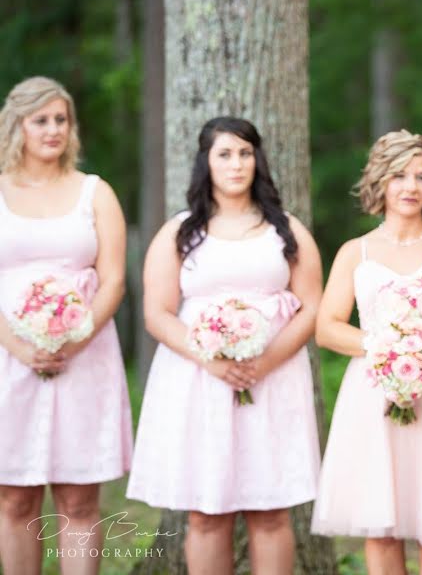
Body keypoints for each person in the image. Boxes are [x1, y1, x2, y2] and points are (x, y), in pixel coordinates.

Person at [127, 117, 323, 574]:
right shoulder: (180, 232)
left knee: (272, 510)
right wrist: (211, 361)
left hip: (273, 382)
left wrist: (265, 361)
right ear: (206, 162)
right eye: (225, 154)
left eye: (245, 153)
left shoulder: (286, 230)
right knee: (206, 512)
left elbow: (311, 306)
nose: (237, 164)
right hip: (200, 383)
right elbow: (157, 312)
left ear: (258, 160)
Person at [0, 76, 133, 575]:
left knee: (78, 500)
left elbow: (114, 279)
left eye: (61, 119)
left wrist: (72, 338)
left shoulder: (95, 192)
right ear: (18, 125)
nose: (53, 130)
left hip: (85, 356)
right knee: (14, 498)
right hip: (8, 357)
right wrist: (19, 345)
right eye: (41, 120)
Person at [311, 130, 422, 575]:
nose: (410, 186)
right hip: (374, 396)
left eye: (421, 177)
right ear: (380, 184)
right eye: (399, 176)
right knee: (382, 524)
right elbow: (327, 328)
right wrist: (388, 349)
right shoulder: (357, 251)